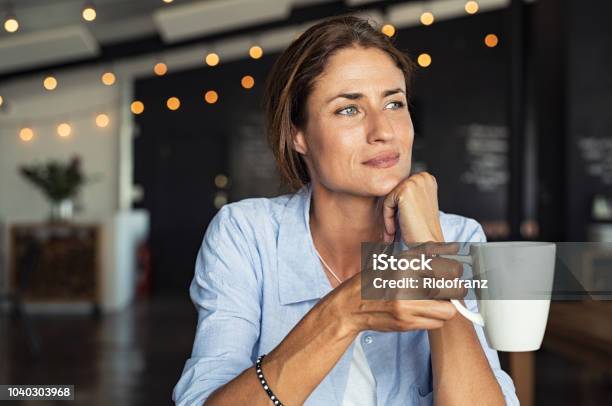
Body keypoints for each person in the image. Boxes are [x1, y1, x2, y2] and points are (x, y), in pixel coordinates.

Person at [173, 15, 518, 406]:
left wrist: (430, 250)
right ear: (296, 134)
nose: (383, 130)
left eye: (394, 103)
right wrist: (345, 312)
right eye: (348, 110)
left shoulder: (458, 238)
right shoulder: (245, 235)